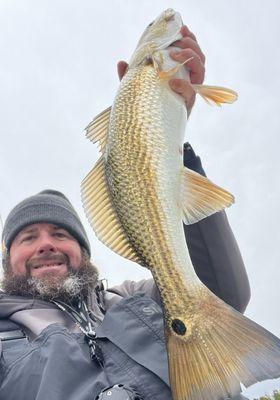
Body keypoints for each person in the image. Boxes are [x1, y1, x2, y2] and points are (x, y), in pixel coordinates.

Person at [0, 26, 250, 400]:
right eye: (28, 237)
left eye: (61, 233)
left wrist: (167, 140)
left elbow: (222, 292)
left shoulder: (137, 298)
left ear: (84, 251)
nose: (46, 244)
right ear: (6, 258)